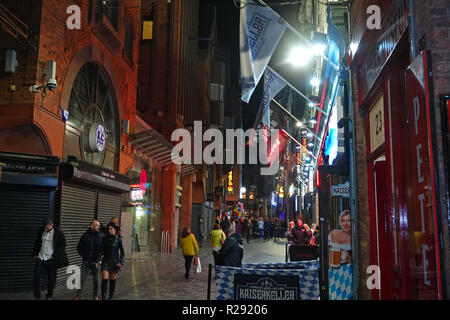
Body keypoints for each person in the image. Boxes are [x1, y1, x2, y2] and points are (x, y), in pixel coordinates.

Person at [32, 218, 69, 300]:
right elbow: (38, 242)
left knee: (51, 279)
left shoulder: (58, 233)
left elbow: (63, 245)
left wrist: (55, 255)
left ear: (51, 225)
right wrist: (35, 253)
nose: (45, 229)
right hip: (41, 257)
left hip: (51, 259)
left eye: (47, 227)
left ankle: (49, 295)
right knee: (36, 276)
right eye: (44, 227)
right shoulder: (41, 230)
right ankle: (37, 295)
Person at [74, 220, 105, 300]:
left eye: (99, 225)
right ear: (92, 226)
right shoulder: (85, 236)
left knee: (96, 280)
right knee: (82, 279)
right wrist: (83, 255)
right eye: (97, 225)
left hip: (96, 262)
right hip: (86, 262)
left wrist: (99, 260)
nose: (99, 227)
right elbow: (79, 247)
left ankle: (95, 295)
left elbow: (104, 249)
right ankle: (78, 296)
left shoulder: (102, 236)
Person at [100, 223, 125, 300]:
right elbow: (101, 250)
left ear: (115, 229)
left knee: (112, 280)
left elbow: (122, 252)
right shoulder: (105, 238)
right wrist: (99, 260)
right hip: (106, 261)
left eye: (111, 229)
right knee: (104, 279)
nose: (109, 230)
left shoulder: (119, 239)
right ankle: (104, 297)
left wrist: (121, 262)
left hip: (115, 262)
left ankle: (110, 296)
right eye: (109, 229)